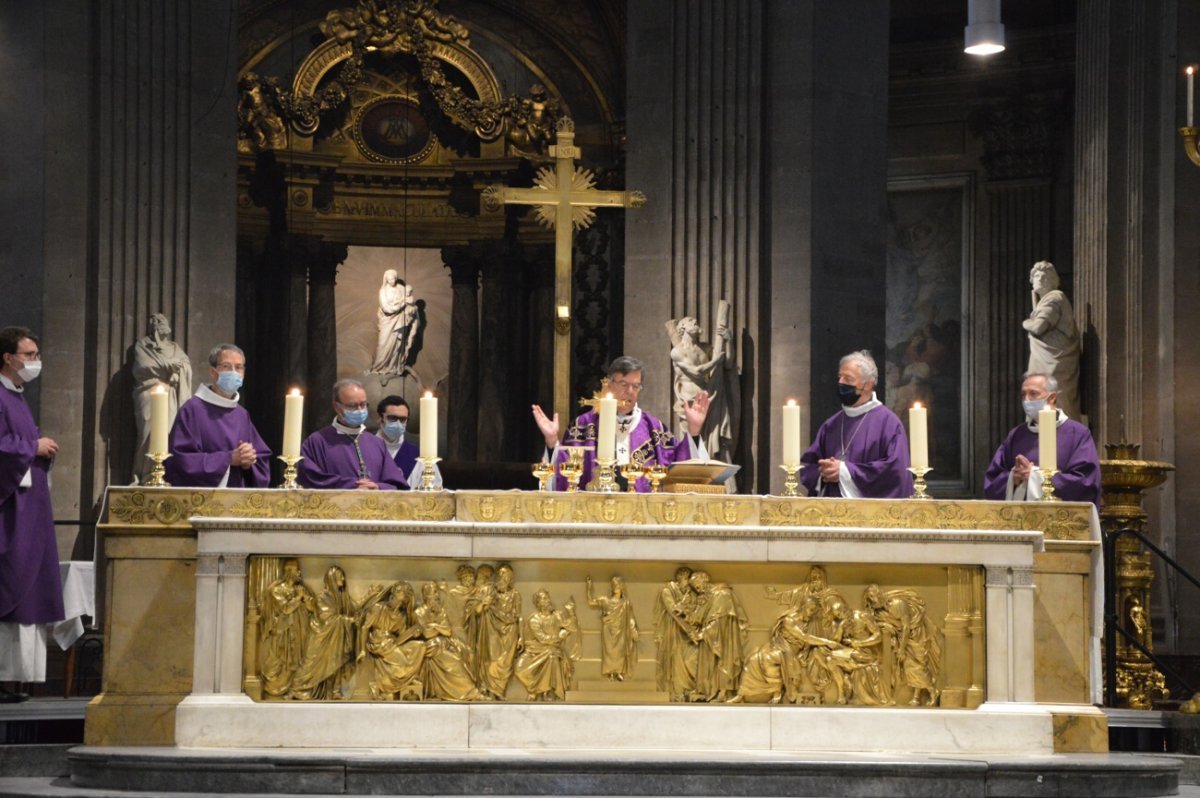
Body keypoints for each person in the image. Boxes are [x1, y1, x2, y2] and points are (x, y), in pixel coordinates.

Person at [531, 356, 711, 492]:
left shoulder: (655, 429)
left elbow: (678, 470)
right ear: (609, 385)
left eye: (636, 386)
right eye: (623, 384)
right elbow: (563, 472)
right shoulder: (583, 426)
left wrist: (694, 431)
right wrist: (552, 441)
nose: (630, 392)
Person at [0, 327, 63, 703]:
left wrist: (38, 449)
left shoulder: (16, 397)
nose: (35, 361)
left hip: (28, 510)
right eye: (29, 354)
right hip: (10, 515)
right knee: (10, 586)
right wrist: (31, 447)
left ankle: (15, 679)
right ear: (7, 358)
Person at [800, 350, 912, 498]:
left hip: (869, 517)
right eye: (840, 377)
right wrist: (824, 473)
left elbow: (895, 472)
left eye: (848, 379)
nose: (840, 382)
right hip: (830, 515)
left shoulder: (889, 424)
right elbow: (809, 465)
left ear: (867, 385)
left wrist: (844, 472)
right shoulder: (831, 424)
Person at [983, 372, 1101, 505]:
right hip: (1021, 519)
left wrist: (1034, 476)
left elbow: (1086, 481)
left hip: (1060, 519)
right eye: (1023, 395)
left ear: (1052, 397)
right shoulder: (1016, 435)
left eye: (1033, 394)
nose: (1026, 400)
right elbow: (992, 480)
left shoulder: (1077, 434)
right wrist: (1013, 479)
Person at [166, 344, 271, 487]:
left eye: (239, 367)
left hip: (236, 503)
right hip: (202, 503)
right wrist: (228, 459)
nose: (234, 372)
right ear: (213, 372)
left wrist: (249, 460)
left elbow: (260, 458)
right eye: (227, 366)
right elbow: (180, 460)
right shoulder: (193, 409)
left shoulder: (241, 414)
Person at [297, 379, 408, 490]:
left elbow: (396, 484)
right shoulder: (317, 442)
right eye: (352, 405)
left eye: (363, 404)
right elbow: (310, 478)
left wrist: (378, 487)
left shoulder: (377, 443)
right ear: (336, 407)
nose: (360, 410)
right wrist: (352, 485)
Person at [131, 313, 193, 482]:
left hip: (171, 394)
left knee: (169, 432)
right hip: (149, 392)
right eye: (157, 323)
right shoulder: (143, 345)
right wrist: (169, 365)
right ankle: (145, 475)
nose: (160, 325)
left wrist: (176, 370)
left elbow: (185, 364)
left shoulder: (174, 347)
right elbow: (142, 366)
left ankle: (165, 474)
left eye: (163, 322)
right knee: (148, 431)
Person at [1024, 261, 1082, 419]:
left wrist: (1026, 322)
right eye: (1037, 275)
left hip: (1054, 361)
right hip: (1046, 360)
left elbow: (1038, 327)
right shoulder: (1047, 301)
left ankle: (1057, 440)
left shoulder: (1054, 298)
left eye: (1045, 276)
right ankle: (1047, 441)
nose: (1041, 278)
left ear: (1054, 281)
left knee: (1053, 400)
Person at [374, 395, 441, 488]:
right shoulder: (364, 450)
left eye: (402, 419)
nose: (397, 423)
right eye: (392, 418)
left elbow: (434, 490)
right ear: (379, 418)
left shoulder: (420, 457)